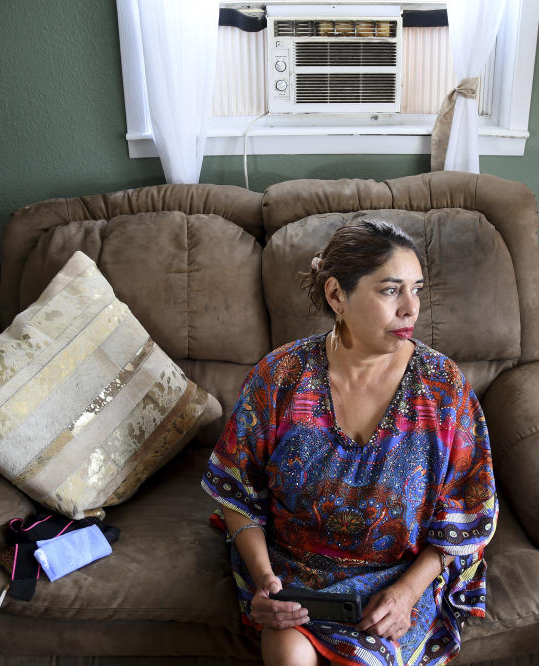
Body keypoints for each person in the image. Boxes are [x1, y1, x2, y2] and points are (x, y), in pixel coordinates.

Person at [201, 219, 497, 666]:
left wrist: (405, 593)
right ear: (337, 295)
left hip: (394, 578)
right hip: (296, 576)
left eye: (416, 290)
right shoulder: (280, 377)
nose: (410, 310)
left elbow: (466, 513)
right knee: (287, 651)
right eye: (390, 290)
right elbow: (235, 490)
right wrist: (265, 579)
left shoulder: (442, 388)